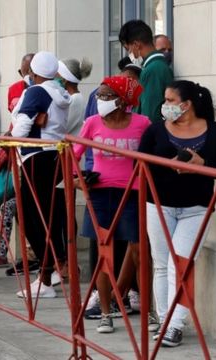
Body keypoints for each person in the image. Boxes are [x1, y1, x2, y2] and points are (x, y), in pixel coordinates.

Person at [138, 81, 216, 347]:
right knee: (161, 263)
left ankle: (174, 325)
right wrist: (169, 164)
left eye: (169, 100)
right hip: (158, 205)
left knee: (180, 265)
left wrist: (202, 165)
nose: (164, 105)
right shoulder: (155, 130)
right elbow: (140, 165)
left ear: (186, 104)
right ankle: (165, 321)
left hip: (196, 209)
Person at [73, 76, 149, 334]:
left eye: (105, 96)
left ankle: (149, 312)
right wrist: (77, 179)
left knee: (140, 254)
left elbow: (152, 154)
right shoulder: (92, 123)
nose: (99, 100)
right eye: (98, 95)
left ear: (121, 100)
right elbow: (74, 155)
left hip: (132, 194)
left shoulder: (142, 123)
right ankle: (106, 313)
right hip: (100, 194)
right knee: (104, 256)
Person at [10, 51, 70, 298]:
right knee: (47, 216)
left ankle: (45, 277)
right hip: (54, 157)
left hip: (35, 157)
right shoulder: (61, 93)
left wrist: (13, 136)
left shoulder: (36, 92)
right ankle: (52, 269)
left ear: (32, 73)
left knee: (29, 216)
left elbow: (21, 127)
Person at [119, 20, 173, 123]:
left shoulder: (153, 69)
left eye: (128, 49)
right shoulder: (154, 66)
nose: (129, 53)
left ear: (136, 44)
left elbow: (150, 115)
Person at [58, 58, 93, 136]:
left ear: (64, 80)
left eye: (57, 75)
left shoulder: (75, 100)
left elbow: (63, 127)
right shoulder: (70, 97)